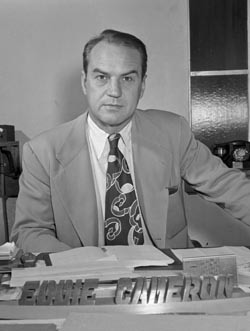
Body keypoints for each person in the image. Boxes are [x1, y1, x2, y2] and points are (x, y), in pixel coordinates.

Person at [10, 29, 250, 253]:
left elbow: (230, 187)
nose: (114, 91)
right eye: (102, 77)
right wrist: (91, 266)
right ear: (85, 82)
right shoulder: (42, 152)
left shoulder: (172, 132)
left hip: (167, 279)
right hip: (88, 284)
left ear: (142, 85)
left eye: (127, 79)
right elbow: (29, 233)